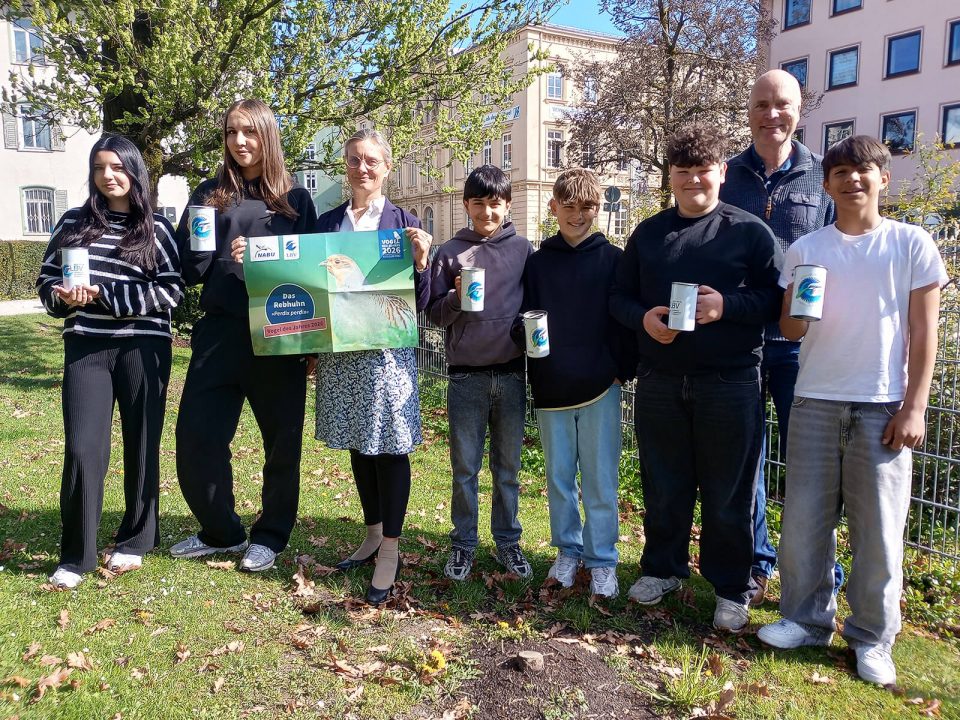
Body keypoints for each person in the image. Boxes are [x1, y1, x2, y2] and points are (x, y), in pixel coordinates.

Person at [758, 136, 946, 686]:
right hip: (815, 398)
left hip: (881, 402)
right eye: (839, 172)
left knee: (880, 533)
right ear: (828, 183)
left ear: (883, 178)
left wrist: (915, 405)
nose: (851, 180)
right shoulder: (807, 249)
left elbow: (923, 331)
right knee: (803, 524)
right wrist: (796, 303)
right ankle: (805, 619)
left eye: (862, 171)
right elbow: (790, 331)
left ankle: (872, 637)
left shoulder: (912, 244)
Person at [611, 123, 782, 631]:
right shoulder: (648, 233)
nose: (693, 181)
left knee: (729, 489)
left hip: (730, 381)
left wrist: (725, 306)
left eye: (702, 171)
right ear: (670, 177)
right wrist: (643, 319)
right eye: (682, 172)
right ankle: (663, 569)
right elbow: (619, 299)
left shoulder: (749, 232)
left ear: (722, 173)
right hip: (661, 378)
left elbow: (776, 302)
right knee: (664, 481)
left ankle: (731, 586)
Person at [171, 99, 317, 573]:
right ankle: (222, 530)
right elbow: (190, 270)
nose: (239, 142)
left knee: (281, 443)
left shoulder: (295, 200)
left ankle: (270, 535)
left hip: (278, 335)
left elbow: (313, 273)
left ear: (267, 136)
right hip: (219, 334)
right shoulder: (210, 193)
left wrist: (263, 254)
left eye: (249, 132)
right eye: (232, 132)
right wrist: (202, 245)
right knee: (197, 438)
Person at [36, 135, 184, 588]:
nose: (109, 176)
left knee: (142, 443)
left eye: (118, 167)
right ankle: (76, 555)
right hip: (86, 347)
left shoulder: (156, 229)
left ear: (135, 172)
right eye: (100, 168)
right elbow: (45, 283)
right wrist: (63, 299)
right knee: (83, 448)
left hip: (143, 348)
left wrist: (107, 296)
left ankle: (136, 539)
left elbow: (171, 291)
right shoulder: (72, 223)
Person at [718, 69, 836, 604]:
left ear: (799, 109)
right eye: (761, 104)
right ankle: (755, 564)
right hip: (740, 339)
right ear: (749, 111)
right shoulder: (728, 174)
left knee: (811, 468)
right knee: (747, 463)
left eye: (781, 104)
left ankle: (815, 576)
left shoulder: (822, 175)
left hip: (801, 344)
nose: (771, 114)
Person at [312, 128, 432, 605]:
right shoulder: (326, 224)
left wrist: (422, 263)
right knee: (359, 445)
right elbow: (311, 289)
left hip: (385, 354)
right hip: (342, 353)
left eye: (371, 161)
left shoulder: (405, 224)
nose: (362, 168)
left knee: (389, 445)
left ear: (386, 166)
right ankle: (372, 532)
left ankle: (391, 549)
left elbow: (420, 304)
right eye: (354, 160)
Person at [520, 168, 636, 598]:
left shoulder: (615, 260)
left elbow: (626, 324)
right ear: (554, 208)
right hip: (552, 389)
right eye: (568, 206)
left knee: (601, 480)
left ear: (599, 208)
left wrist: (622, 370)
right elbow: (526, 316)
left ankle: (602, 559)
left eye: (586, 206)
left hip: (601, 387)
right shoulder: (537, 262)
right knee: (559, 477)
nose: (578, 214)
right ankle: (568, 551)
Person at [428, 164, 533, 582]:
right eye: (478, 204)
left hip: (510, 376)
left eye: (495, 204)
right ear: (466, 205)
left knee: (508, 470)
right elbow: (433, 314)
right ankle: (463, 545)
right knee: (465, 469)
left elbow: (536, 302)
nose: (487, 212)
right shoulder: (450, 252)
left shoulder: (523, 250)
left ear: (507, 205)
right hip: (466, 379)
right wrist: (455, 300)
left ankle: (508, 541)